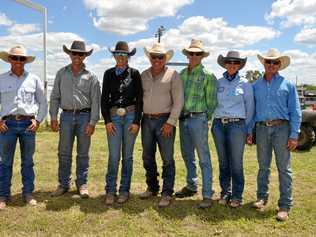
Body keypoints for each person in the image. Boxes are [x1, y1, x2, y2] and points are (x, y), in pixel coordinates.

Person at [250, 48, 301, 221]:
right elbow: (252, 111)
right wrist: (250, 131)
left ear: (280, 65)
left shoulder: (288, 85)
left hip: (282, 129)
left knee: (284, 168)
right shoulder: (255, 85)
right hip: (262, 128)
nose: (271, 65)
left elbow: (296, 111)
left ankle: (285, 205)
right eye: (268, 61)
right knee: (263, 166)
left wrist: (294, 134)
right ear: (264, 63)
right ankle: (261, 197)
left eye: (275, 62)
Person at [50, 40, 101, 199]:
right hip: (65, 116)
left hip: (84, 117)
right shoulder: (61, 73)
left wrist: (92, 122)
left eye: (81, 54)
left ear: (85, 56)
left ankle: (82, 184)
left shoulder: (91, 76)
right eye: (74, 53)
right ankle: (63, 184)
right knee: (64, 152)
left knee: (83, 153)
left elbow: (96, 101)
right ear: (70, 55)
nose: (77, 56)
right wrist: (53, 117)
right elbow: (55, 97)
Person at [0, 46, 47, 210]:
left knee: (28, 162)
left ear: (25, 61)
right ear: (10, 59)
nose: (18, 61)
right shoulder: (1, 79)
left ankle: (28, 193)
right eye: (15, 58)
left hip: (28, 125)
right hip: (7, 125)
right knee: (5, 162)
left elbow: (43, 102)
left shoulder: (34, 79)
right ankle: (3, 196)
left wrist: (38, 120)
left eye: (21, 59)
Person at [139, 42, 184, 208]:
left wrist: (170, 122)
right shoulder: (143, 75)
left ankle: (167, 192)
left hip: (165, 121)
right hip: (146, 120)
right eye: (154, 57)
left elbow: (178, 101)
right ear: (150, 58)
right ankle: (152, 187)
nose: (157, 60)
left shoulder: (173, 75)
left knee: (167, 158)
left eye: (160, 57)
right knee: (147, 156)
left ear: (165, 59)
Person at [175, 39, 217, 209]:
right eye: (191, 53)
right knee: (187, 155)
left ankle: (207, 194)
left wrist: (204, 119)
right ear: (187, 55)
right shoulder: (181, 74)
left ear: (202, 56)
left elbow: (212, 102)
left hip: (198, 119)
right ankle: (192, 186)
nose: (193, 56)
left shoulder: (208, 76)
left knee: (203, 158)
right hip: (183, 119)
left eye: (197, 53)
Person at [101, 41, 143, 205]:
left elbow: (139, 99)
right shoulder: (108, 74)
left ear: (128, 57)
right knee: (113, 156)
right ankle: (110, 190)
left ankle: (124, 190)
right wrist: (107, 121)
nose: (121, 57)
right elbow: (104, 99)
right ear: (114, 56)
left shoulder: (135, 74)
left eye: (124, 55)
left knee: (128, 156)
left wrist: (137, 121)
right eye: (118, 54)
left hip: (131, 116)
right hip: (114, 117)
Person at [211, 51, 254, 208]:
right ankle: (225, 192)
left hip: (237, 125)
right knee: (223, 162)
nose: (232, 65)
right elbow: (213, 103)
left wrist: (247, 129)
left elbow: (250, 109)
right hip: (218, 125)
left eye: (236, 63)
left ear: (239, 65)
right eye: (229, 62)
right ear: (224, 64)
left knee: (236, 162)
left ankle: (237, 195)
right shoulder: (218, 82)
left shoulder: (246, 84)